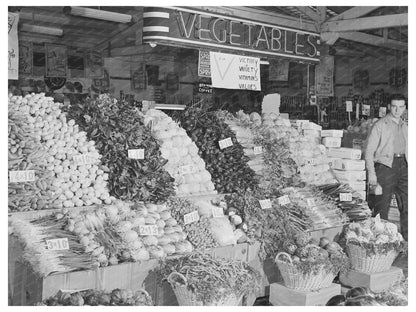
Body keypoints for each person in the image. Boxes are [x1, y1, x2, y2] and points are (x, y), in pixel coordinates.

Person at [365, 94, 408, 240]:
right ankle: (381, 243)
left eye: (401, 106)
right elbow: (369, 151)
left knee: (407, 206)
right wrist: (372, 173)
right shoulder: (380, 125)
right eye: (394, 106)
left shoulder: (405, 125)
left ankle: (407, 243)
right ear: (389, 107)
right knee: (382, 206)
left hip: (404, 166)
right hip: (384, 168)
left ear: (405, 108)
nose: (397, 110)